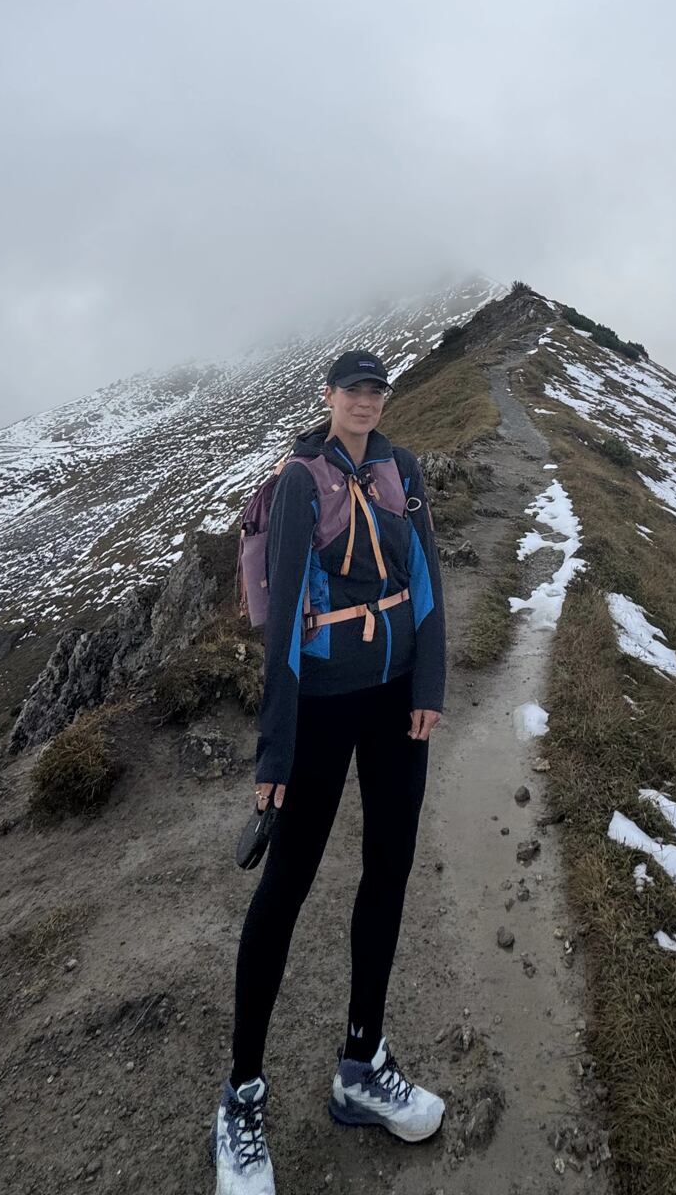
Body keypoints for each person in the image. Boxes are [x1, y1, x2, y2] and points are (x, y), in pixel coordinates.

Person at [211, 351, 448, 1195]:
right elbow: (281, 627)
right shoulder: (300, 482)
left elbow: (427, 579)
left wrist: (429, 687)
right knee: (286, 887)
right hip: (319, 706)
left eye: (376, 390)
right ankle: (241, 1095)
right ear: (329, 397)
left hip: (395, 702)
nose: (364, 401)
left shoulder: (401, 468)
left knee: (388, 871)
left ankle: (361, 1065)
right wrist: (274, 751)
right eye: (353, 390)